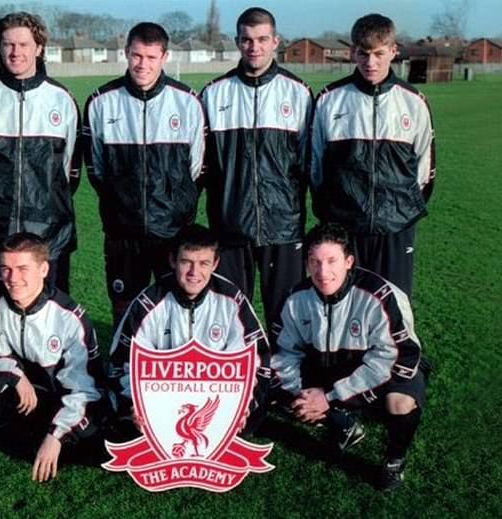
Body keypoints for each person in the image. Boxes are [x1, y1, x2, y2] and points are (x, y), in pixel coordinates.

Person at [0, 233, 106, 515]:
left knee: (94, 442)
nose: (12, 278)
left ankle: (18, 438)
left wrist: (56, 435)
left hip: (46, 406)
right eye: (5, 268)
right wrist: (10, 372)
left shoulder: (69, 317)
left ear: (44, 269)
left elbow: (86, 389)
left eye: (22, 268)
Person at [270, 222, 429, 491]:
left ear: (349, 261)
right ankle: (343, 425)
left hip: (388, 368)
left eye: (332, 261)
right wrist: (303, 394)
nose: (323, 272)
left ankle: (394, 460)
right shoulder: (296, 299)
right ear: (307, 263)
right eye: (315, 262)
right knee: (289, 394)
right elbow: (283, 352)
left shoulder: (379, 294)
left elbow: (397, 357)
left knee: (399, 403)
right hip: (331, 368)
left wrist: (330, 396)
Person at [82, 22, 205, 325]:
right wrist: (120, 203)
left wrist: (177, 206)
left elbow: (198, 168)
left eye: (151, 57)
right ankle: (123, 367)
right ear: (126, 53)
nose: (142, 65)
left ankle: (170, 370)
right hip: (122, 232)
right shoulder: (101, 102)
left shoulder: (187, 101)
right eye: (137, 56)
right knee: (124, 308)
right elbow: (96, 169)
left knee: (175, 309)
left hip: (172, 232)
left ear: (164, 56)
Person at [200, 7, 313, 331]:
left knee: (287, 316)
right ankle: (243, 378)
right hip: (230, 226)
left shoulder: (298, 93)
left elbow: (309, 163)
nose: (255, 47)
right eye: (247, 40)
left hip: (283, 226)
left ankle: (285, 380)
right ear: (237, 42)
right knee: (232, 317)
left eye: (262, 39)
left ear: (275, 41)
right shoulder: (214, 94)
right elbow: (203, 165)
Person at [309, 13, 436, 298]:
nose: (371, 62)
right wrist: (332, 210)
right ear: (353, 52)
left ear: (393, 51)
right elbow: (315, 166)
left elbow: (424, 171)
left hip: (396, 227)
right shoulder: (330, 100)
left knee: (394, 307)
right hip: (344, 226)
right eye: (363, 54)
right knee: (343, 306)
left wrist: (400, 211)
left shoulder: (414, 102)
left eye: (379, 54)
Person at [0, 12, 82, 293]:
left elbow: (69, 173)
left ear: (38, 48)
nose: (16, 52)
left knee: (51, 318)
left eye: (24, 45)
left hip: (49, 234)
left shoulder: (62, 100)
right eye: (8, 44)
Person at [108, 224, 271, 435]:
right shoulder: (149, 303)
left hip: (215, 403)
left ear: (215, 264)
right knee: (127, 428)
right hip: (161, 402)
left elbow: (255, 360)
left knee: (244, 425)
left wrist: (242, 406)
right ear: (173, 261)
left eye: (204, 263)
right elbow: (122, 363)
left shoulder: (231, 301)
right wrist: (138, 403)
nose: (195, 272)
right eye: (186, 262)